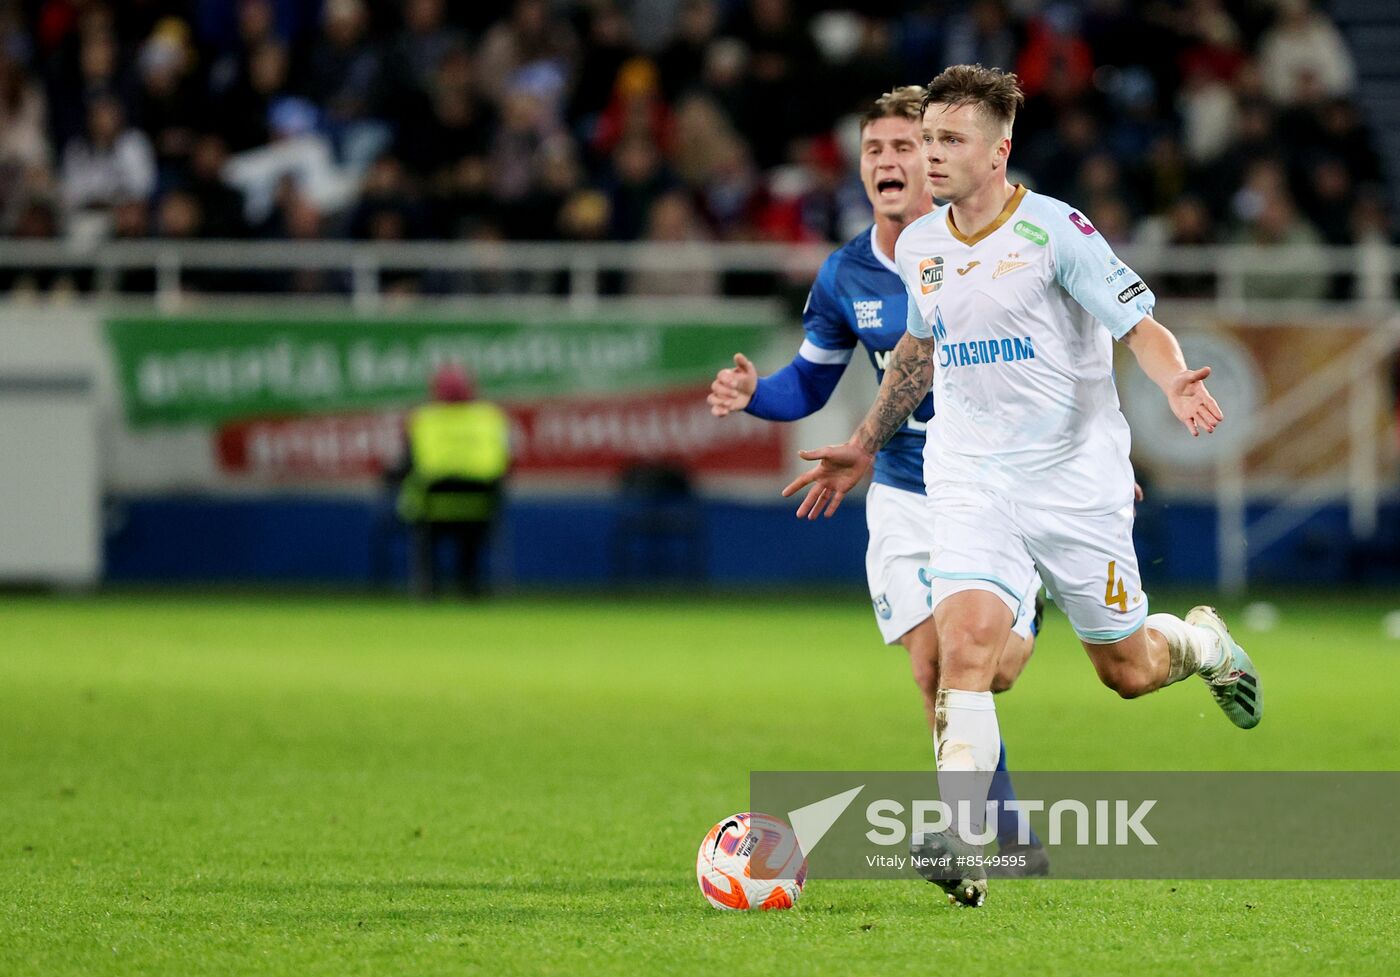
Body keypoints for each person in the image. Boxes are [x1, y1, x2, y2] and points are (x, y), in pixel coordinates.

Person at [782, 65, 1262, 907]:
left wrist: (1177, 379)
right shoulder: (925, 245)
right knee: (962, 647)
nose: (931, 156)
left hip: (1074, 483)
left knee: (1126, 670)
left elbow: (1137, 325)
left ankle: (1202, 644)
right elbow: (919, 353)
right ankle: (968, 843)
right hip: (968, 477)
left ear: (999, 150)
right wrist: (866, 440)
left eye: (949, 141)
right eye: (927, 138)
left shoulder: (1055, 233)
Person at [708, 87, 1048, 875]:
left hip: (999, 489)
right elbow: (810, 382)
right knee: (933, 668)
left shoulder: (990, 249)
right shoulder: (846, 273)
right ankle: (998, 836)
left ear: (938, 157)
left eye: (905, 148)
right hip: (902, 488)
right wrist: (755, 393)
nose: (889, 164)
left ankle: (1042, 611)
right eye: (875, 151)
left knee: (994, 666)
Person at [397, 364, 511, 597]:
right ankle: (470, 586)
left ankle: (428, 588)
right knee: (470, 538)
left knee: (413, 501)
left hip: (432, 513)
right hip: (480, 512)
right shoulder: (490, 418)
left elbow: (406, 466)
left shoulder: (423, 420)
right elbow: (505, 467)